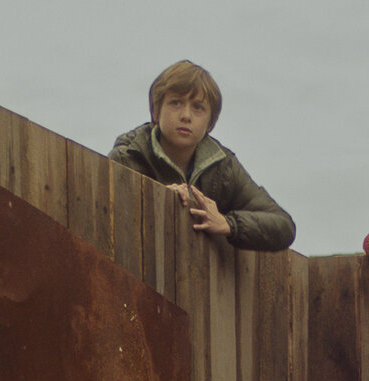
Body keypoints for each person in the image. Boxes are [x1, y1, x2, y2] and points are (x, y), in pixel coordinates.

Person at [108, 61, 296, 253]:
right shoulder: (129, 156)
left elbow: (283, 226)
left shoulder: (223, 167)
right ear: (156, 111)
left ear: (210, 123)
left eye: (198, 107)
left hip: (200, 277)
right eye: (176, 103)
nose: (186, 115)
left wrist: (229, 224)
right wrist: (156, 197)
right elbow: (107, 217)